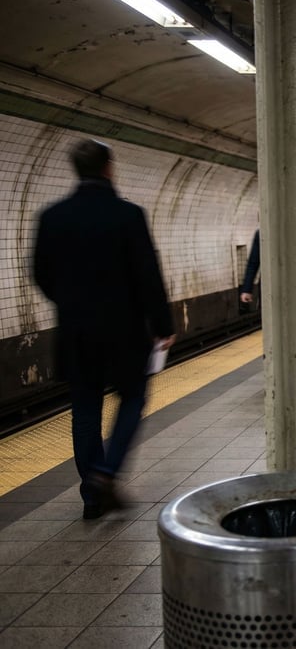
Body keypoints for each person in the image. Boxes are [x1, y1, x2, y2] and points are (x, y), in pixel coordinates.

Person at [34, 139, 176, 520]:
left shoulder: (52, 216)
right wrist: (162, 324)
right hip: (123, 330)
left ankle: (91, 496)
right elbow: (147, 275)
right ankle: (106, 473)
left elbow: (41, 275)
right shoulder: (127, 215)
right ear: (108, 168)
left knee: (84, 410)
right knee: (132, 398)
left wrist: (71, 304)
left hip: (75, 331)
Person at [239, 228, 260, 305]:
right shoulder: (260, 233)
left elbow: (253, 263)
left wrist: (247, 290)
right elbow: (253, 262)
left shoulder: (261, 233)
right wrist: (247, 289)